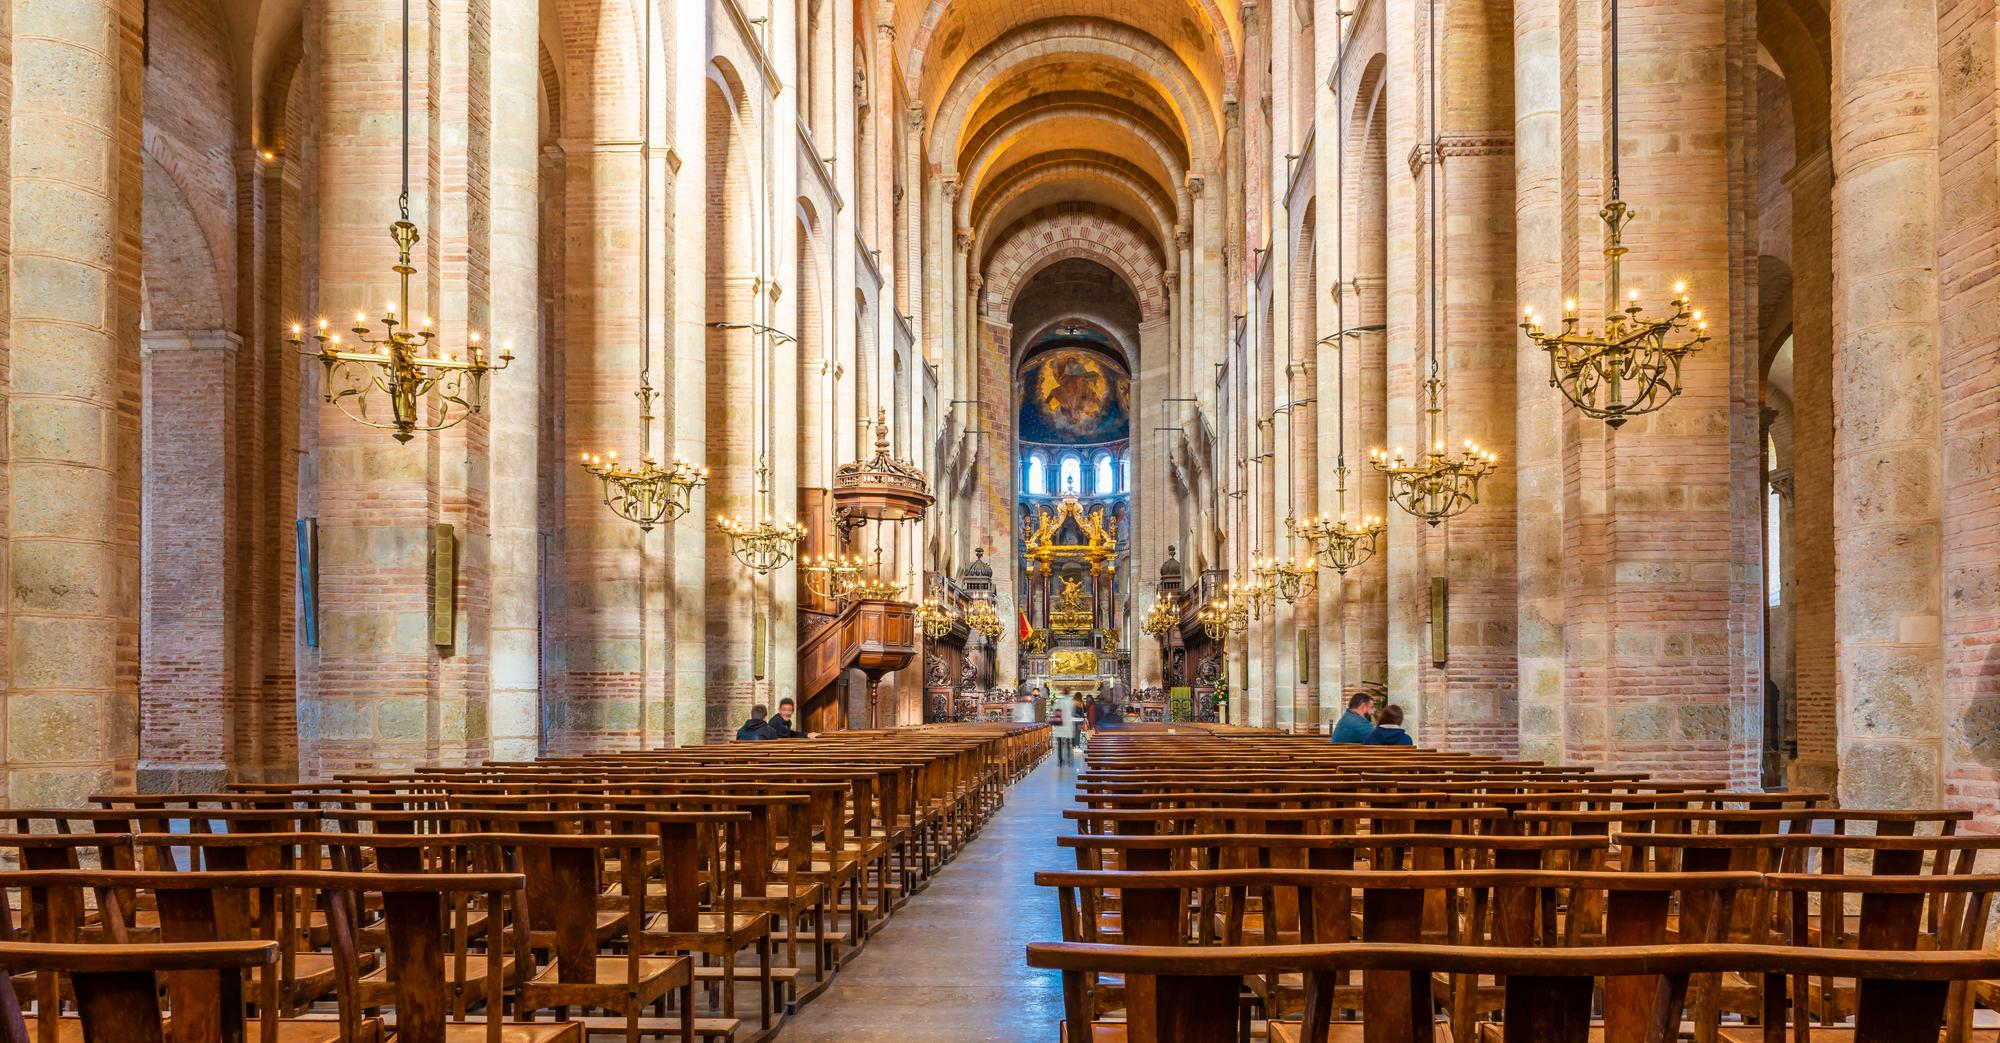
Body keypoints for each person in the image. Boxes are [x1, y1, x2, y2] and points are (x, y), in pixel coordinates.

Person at [1050, 698, 1076, 765]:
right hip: (1066, 726)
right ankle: (1068, 758)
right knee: (1067, 744)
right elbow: (1073, 712)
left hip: (1060, 726)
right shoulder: (1070, 701)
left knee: (1060, 744)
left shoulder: (1058, 702)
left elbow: (1053, 710)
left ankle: (1060, 759)